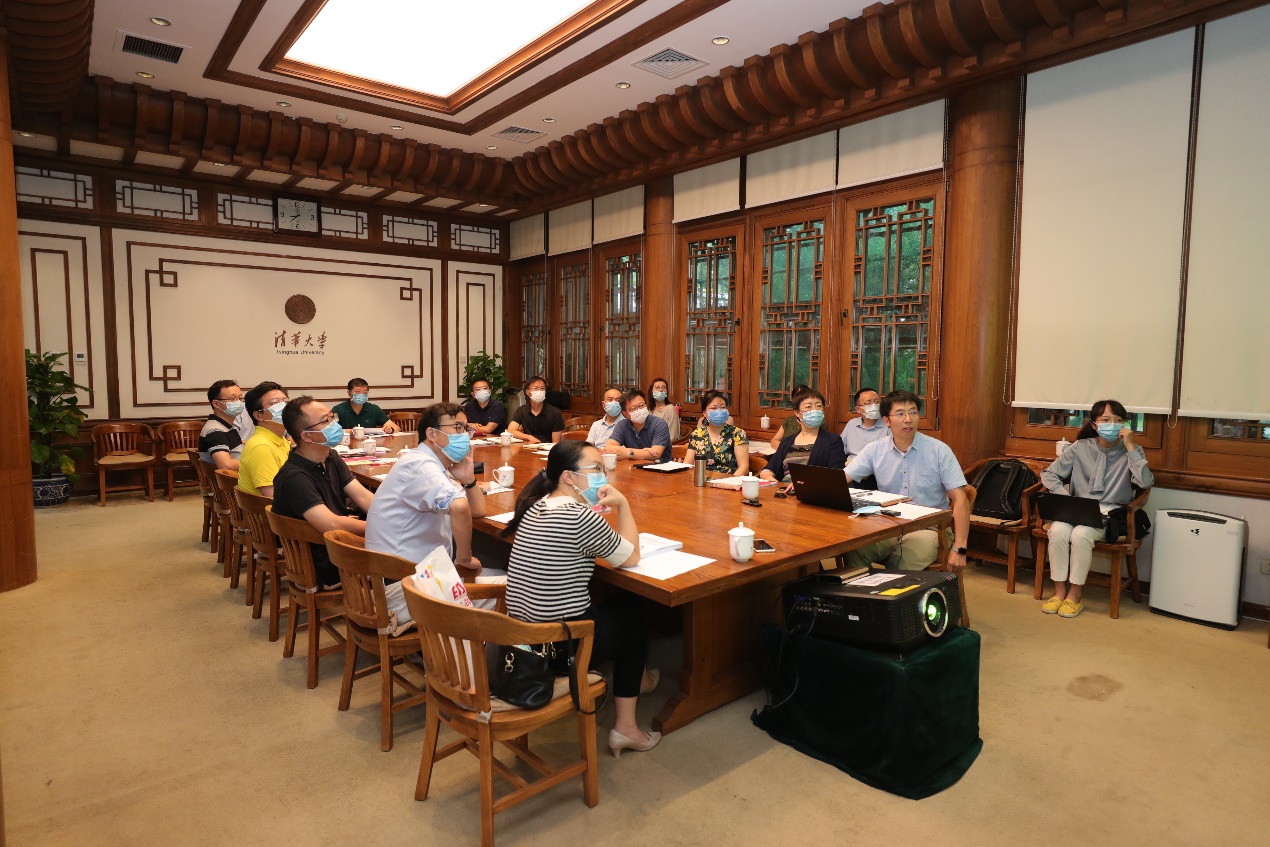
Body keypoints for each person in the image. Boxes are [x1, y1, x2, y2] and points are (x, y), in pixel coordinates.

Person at [502, 440, 661, 757]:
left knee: (620, 604)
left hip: (523, 640)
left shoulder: (534, 505)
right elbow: (630, 557)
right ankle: (627, 728)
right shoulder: (579, 517)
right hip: (561, 648)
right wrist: (624, 505)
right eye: (596, 469)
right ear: (568, 477)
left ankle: (639, 678)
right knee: (634, 616)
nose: (603, 475)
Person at [368, 402, 504, 625]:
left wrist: (468, 480)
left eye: (466, 429)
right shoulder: (420, 466)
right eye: (457, 428)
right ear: (432, 434)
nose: (464, 436)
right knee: (517, 590)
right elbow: (459, 507)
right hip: (405, 589)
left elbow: (477, 511)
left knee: (500, 573)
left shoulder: (430, 463)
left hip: (414, 577)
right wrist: (465, 558)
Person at [1038, 399, 1154, 619]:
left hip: (1110, 512)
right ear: (1094, 424)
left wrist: (1130, 447)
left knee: (1081, 534)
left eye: (1119, 420)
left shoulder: (1133, 450)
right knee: (1058, 531)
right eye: (1106, 420)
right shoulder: (1080, 447)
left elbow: (1145, 482)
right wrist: (1065, 497)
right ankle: (1059, 592)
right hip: (1077, 507)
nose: (1113, 425)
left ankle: (1075, 595)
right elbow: (1049, 474)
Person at [843, 390, 970, 572]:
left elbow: (961, 500)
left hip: (928, 530)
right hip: (888, 526)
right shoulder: (874, 450)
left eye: (913, 412)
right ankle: (864, 590)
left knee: (901, 564)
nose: (908, 419)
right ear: (886, 421)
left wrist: (960, 548)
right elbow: (843, 479)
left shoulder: (939, 451)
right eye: (900, 414)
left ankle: (891, 590)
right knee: (853, 549)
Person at [273, 397, 376, 589]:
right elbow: (332, 524)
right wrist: (380, 527)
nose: (334, 424)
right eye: (325, 421)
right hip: (324, 564)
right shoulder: (294, 478)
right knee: (407, 563)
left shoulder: (330, 456)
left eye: (332, 417)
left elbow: (362, 496)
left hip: (341, 546)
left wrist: (391, 517)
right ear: (307, 436)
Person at [759, 387, 846, 488]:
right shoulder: (787, 441)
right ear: (797, 413)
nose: (815, 410)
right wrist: (771, 479)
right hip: (784, 492)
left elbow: (836, 476)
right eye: (808, 407)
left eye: (819, 406)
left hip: (812, 493)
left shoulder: (833, 441)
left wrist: (802, 484)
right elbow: (768, 470)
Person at [237, 381, 290, 498]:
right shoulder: (261, 447)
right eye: (274, 403)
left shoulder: (281, 440)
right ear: (258, 415)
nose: (284, 407)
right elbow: (273, 498)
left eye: (285, 401)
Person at [683, 391, 750, 476]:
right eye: (714, 408)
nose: (719, 411)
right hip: (701, 480)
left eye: (723, 407)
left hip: (729, 480)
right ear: (704, 413)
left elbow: (744, 468)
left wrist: (730, 482)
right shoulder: (696, 434)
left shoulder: (738, 434)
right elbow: (688, 464)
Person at [606, 389, 671, 462]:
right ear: (625, 414)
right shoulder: (622, 425)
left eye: (641, 406)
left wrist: (628, 453)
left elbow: (656, 454)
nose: (639, 410)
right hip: (633, 467)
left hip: (660, 467)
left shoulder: (659, 424)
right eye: (633, 408)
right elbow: (608, 448)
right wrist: (644, 452)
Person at [199, 379, 245, 471]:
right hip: (235, 478)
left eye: (240, 398)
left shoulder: (225, 426)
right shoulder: (215, 431)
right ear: (216, 403)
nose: (238, 402)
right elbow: (226, 465)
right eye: (232, 399)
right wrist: (257, 465)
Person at [507, 376, 565, 444]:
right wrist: (528, 437)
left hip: (547, 448)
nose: (539, 391)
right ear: (528, 392)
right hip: (528, 447)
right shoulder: (521, 410)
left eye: (542, 389)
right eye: (535, 388)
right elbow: (510, 430)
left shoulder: (555, 412)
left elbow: (556, 443)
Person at [331, 378, 399, 434]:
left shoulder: (374, 409)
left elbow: (396, 428)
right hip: (346, 444)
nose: (361, 395)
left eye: (365, 392)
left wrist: (390, 430)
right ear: (349, 393)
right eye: (358, 392)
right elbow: (331, 431)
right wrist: (351, 432)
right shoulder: (338, 410)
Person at [840, 387, 888, 461]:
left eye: (877, 402)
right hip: (851, 465)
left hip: (877, 466)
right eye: (868, 403)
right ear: (858, 409)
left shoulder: (888, 425)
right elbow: (840, 448)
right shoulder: (852, 424)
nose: (874, 405)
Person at [769, 384, 813, 450]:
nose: (800, 401)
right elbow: (774, 441)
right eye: (797, 397)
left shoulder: (816, 421)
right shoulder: (789, 421)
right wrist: (787, 449)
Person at [648, 377, 680, 442]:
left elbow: (672, 435)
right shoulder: (650, 410)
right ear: (651, 391)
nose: (661, 390)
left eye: (664, 387)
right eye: (657, 387)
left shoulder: (670, 408)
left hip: (664, 444)